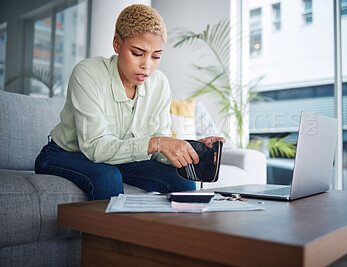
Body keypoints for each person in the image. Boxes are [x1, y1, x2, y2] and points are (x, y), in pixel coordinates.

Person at [34, 4, 225, 201]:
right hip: (67, 154)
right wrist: (155, 143)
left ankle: (173, 233)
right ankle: (109, 233)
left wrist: (187, 148)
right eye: (137, 53)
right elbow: (95, 148)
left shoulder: (159, 84)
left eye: (156, 56)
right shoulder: (87, 73)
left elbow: (160, 143)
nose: (147, 65)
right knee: (107, 176)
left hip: (121, 157)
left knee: (183, 181)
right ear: (117, 44)